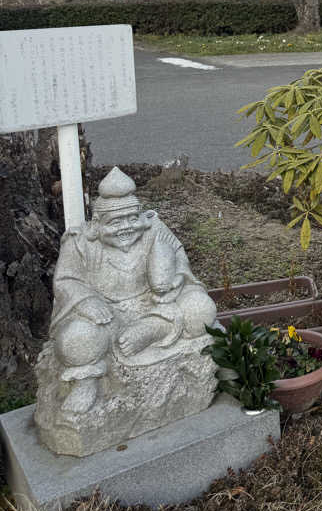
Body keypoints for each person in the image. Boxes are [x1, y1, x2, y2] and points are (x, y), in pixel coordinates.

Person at [46, 167, 216, 414]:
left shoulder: (154, 229)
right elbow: (66, 281)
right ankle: (86, 381)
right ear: (97, 224)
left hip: (156, 306)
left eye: (132, 219)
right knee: (76, 338)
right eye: (115, 222)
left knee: (201, 308)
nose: (126, 227)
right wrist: (85, 301)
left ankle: (154, 329)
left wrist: (175, 280)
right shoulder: (80, 242)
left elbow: (180, 262)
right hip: (106, 315)